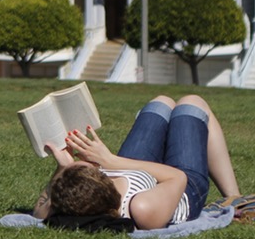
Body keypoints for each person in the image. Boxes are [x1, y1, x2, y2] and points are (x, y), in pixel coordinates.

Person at [32, 94, 240, 230]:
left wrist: (62, 167)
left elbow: (39, 208)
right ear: (102, 178)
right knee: (192, 105)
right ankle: (235, 197)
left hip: (131, 172)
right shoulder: (141, 208)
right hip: (181, 188)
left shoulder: (69, 202)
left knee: (161, 103)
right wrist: (111, 160)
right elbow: (177, 177)